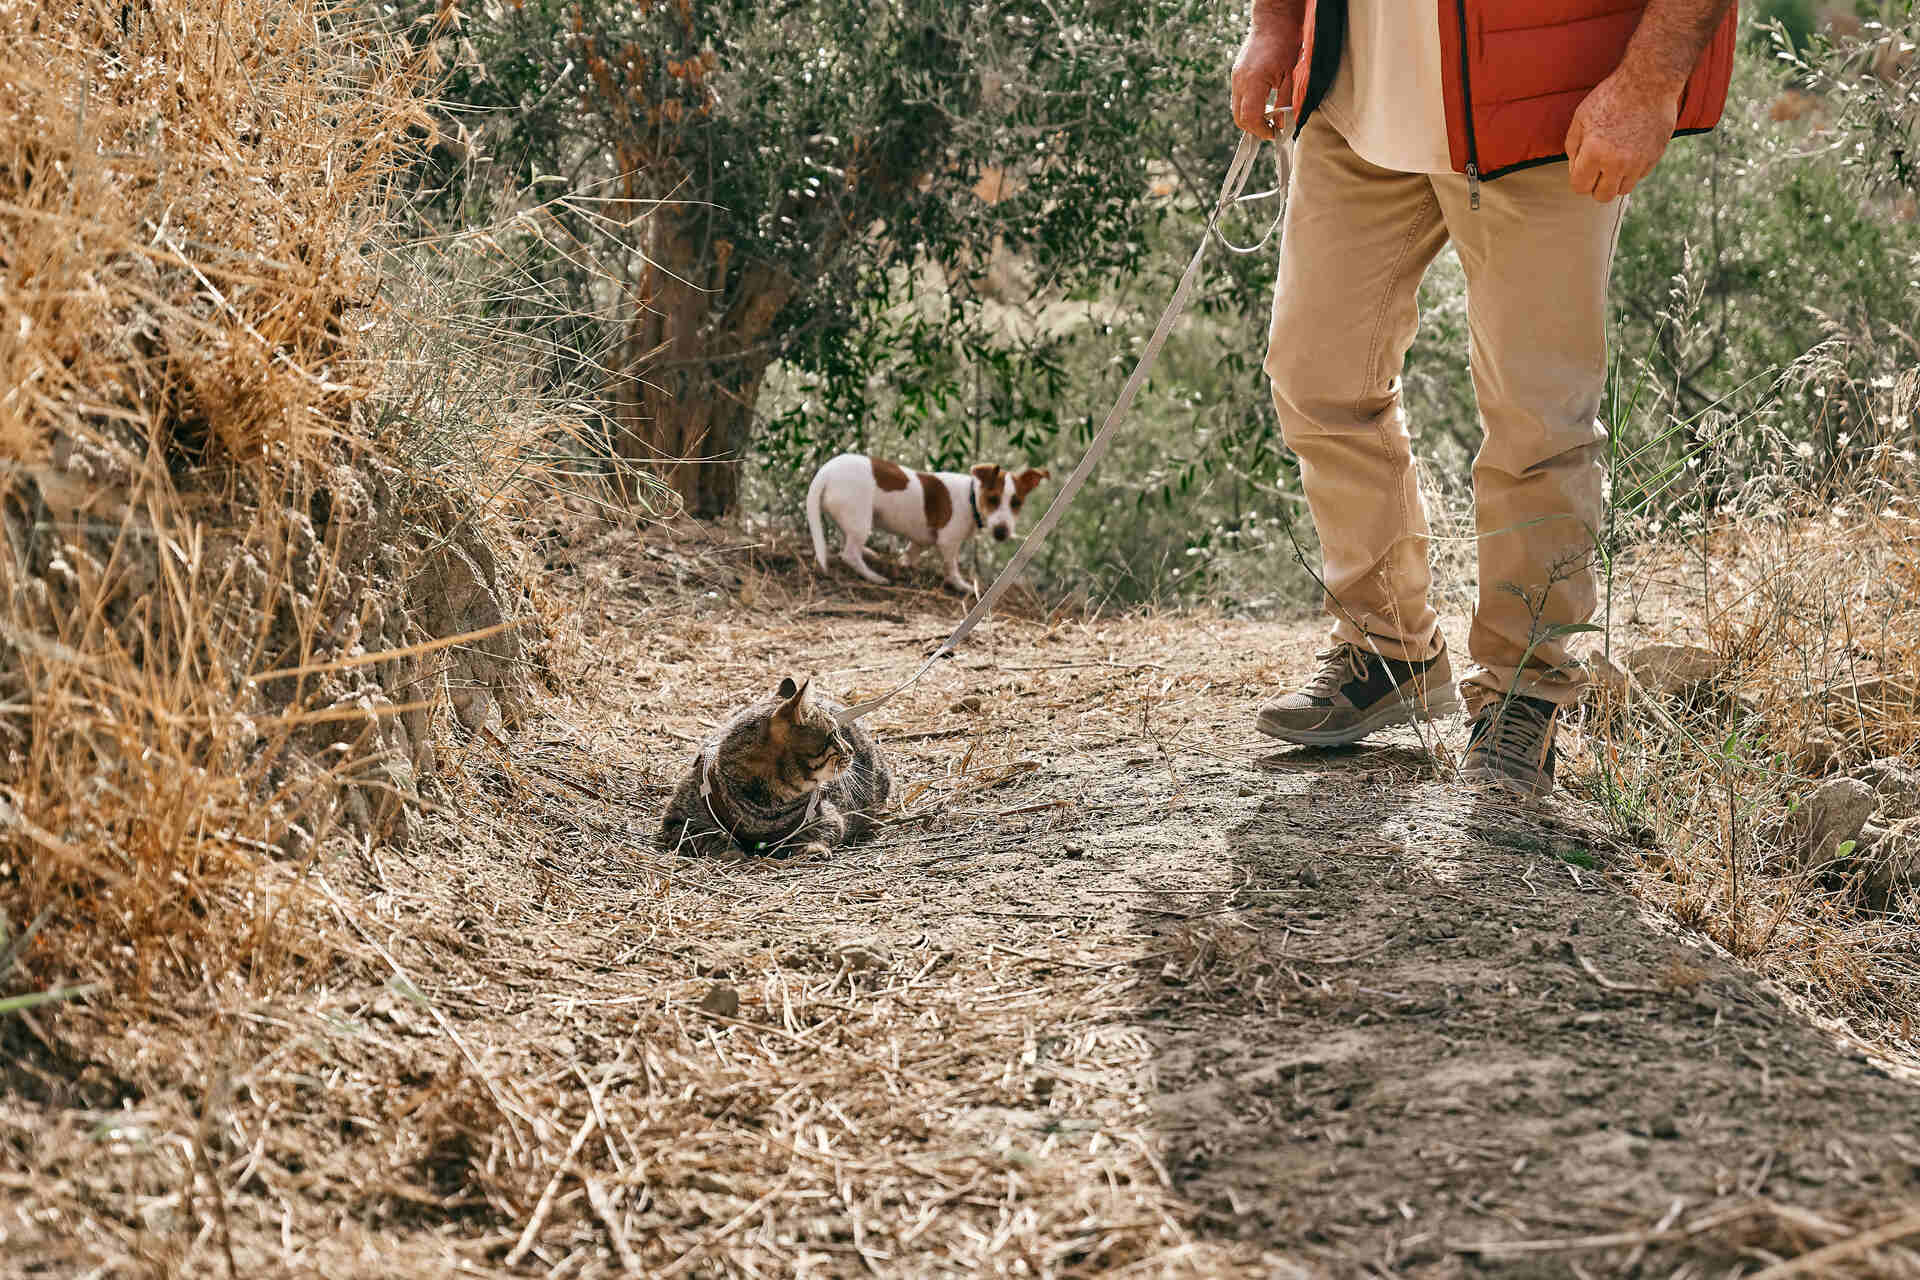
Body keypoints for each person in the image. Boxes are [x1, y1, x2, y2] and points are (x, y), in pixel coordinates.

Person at [1235, 0, 1737, 796]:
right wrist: (1274, 24)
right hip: (1353, 106)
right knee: (1317, 377)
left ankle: (1523, 694)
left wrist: (1647, 83)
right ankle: (1388, 648)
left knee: (1539, 425)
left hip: (1548, 113)